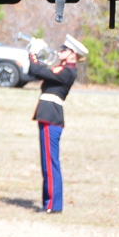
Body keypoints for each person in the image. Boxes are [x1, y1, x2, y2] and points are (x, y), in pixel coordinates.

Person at [27, 34, 88, 213]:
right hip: (48, 115)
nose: (60, 51)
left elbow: (38, 70)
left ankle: (53, 205)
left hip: (51, 116)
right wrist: (37, 57)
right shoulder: (62, 68)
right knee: (47, 162)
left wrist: (33, 53)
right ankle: (50, 203)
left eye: (64, 49)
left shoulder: (68, 71)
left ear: (72, 54)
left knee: (50, 162)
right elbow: (35, 72)